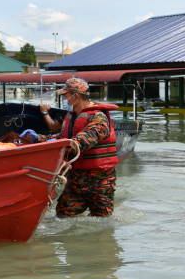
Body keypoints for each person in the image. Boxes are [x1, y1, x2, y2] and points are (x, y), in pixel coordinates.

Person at [20, 78, 119, 218]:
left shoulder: (98, 117)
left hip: (100, 180)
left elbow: (81, 141)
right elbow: (62, 136)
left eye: (66, 95)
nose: (65, 98)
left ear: (75, 96)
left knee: (102, 220)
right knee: (63, 215)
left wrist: (56, 145)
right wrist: (38, 139)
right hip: (75, 178)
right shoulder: (72, 116)